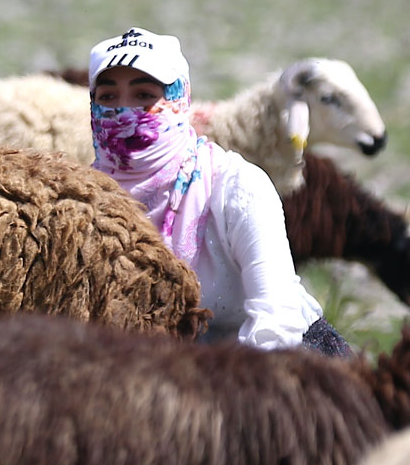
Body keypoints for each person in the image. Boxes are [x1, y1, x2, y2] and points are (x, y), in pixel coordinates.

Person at [87, 27, 350, 356]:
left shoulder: (234, 186)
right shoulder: (86, 202)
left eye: (144, 96)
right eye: (108, 97)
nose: (124, 112)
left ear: (180, 99)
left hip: (269, 367)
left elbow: (276, 317)